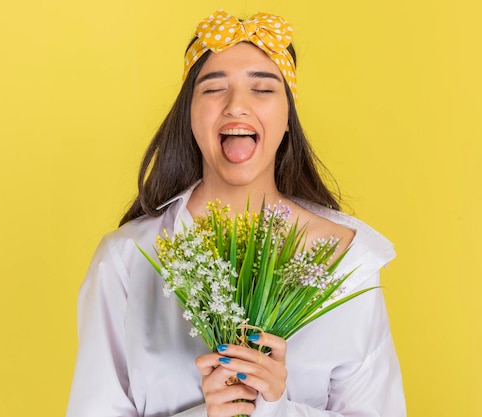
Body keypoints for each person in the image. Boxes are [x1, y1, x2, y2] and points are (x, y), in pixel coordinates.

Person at [66, 9, 405, 417]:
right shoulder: (126, 260)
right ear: (189, 115)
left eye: (262, 89)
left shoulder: (346, 262)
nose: (236, 106)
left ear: (287, 119)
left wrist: (273, 407)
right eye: (213, 90)